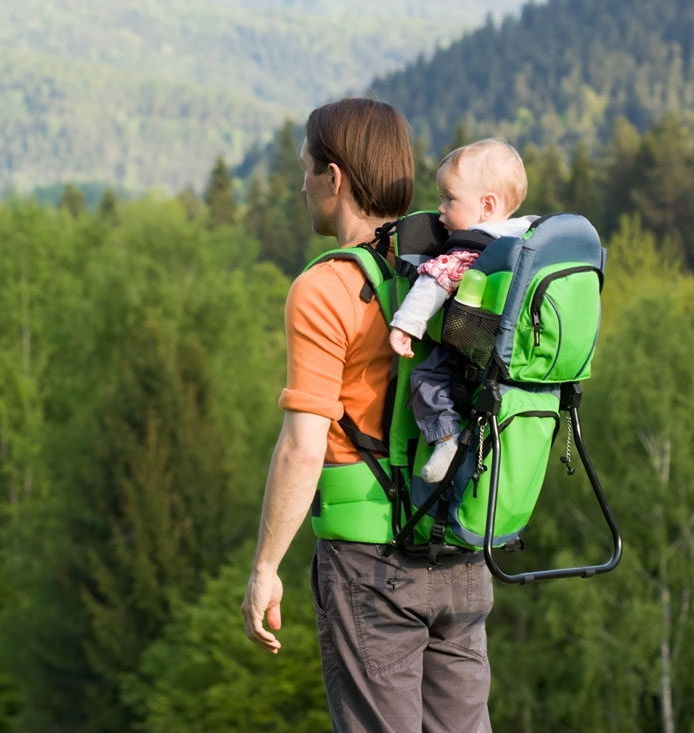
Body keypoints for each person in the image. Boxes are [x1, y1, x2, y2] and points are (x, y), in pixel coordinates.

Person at [240, 99, 494, 733]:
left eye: (306, 169)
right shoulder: (457, 265)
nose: (301, 183)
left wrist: (265, 567)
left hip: (370, 569)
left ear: (336, 177)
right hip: (461, 550)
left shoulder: (326, 288)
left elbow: (304, 447)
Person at [388, 139, 537, 482]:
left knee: (425, 379)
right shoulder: (528, 235)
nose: (440, 209)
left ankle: (445, 440)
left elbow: (432, 284)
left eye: (449, 198)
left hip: (473, 347)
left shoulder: (469, 248)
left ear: (487, 205)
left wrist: (405, 326)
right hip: (516, 355)